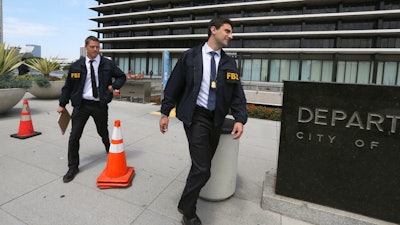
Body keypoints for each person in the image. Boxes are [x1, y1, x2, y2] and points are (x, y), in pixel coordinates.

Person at [159, 18, 248, 225]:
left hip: (216, 119)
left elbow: (237, 94)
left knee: (203, 165)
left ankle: (185, 202)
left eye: (231, 32)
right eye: (227, 31)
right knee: (203, 169)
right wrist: (165, 113)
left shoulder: (228, 62)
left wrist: (240, 119)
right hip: (196, 116)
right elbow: (174, 86)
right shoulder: (190, 57)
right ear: (213, 30)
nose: (230, 36)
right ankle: (188, 212)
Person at [57, 36, 126, 183]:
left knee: (103, 132)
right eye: (92, 47)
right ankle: (73, 167)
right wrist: (62, 104)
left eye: (97, 47)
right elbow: (68, 86)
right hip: (81, 105)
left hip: (99, 105)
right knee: (74, 136)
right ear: (86, 47)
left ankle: (110, 152)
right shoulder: (76, 66)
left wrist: (113, 86)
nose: (95, 49)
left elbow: (121, 77)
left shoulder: (107, 64)